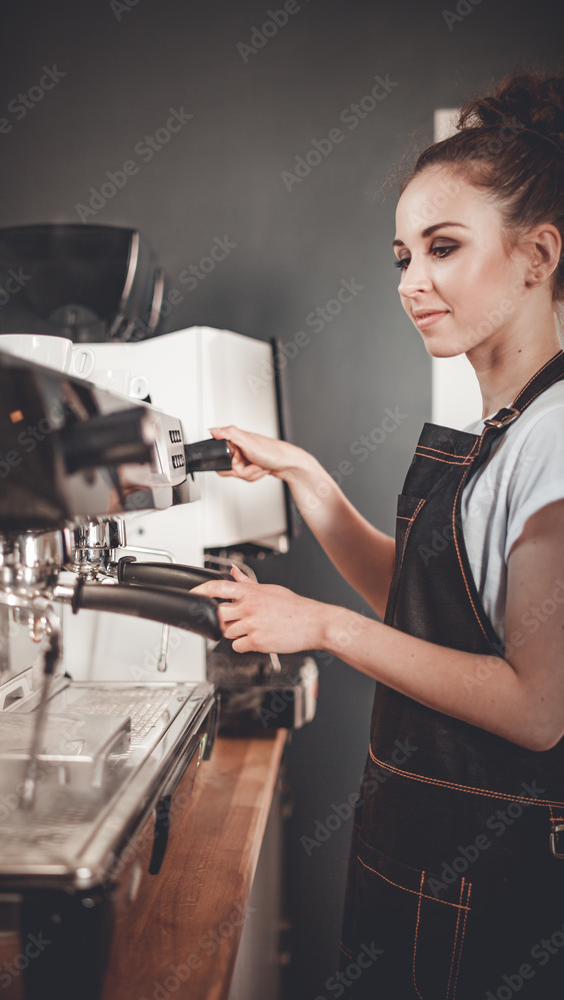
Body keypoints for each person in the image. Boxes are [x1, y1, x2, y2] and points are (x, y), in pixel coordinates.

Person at [192, 72, 564, 996]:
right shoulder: (506, 424)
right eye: (400, 256)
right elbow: (430, 610)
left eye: (442, 248)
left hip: (489, 887)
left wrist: (318, 627)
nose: (412, 282)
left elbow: (534, 706)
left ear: (536, 255)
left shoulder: (555, 438)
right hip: (425, 860)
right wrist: (305, 476)